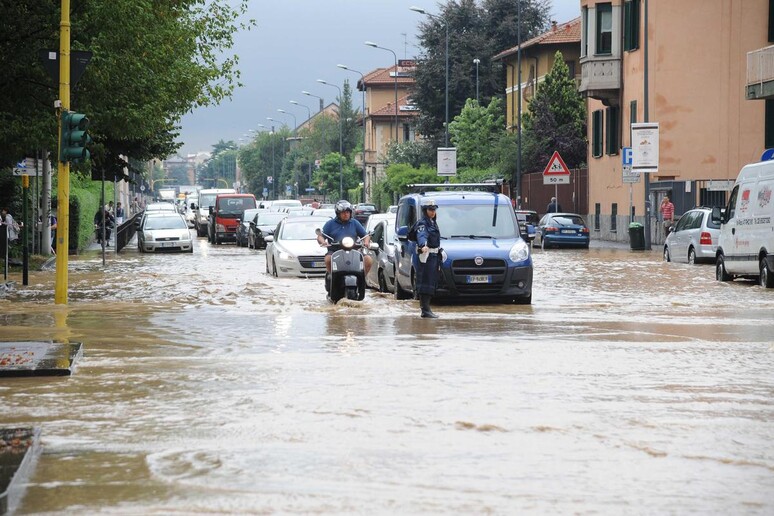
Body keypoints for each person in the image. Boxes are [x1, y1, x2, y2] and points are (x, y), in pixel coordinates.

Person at [317, 200, 371, 290]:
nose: (346, 214)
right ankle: (332, 277)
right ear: (338, 213)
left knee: (368, 259)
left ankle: (361, 279)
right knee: (327, 259)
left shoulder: (355, 223)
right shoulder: (330, 224)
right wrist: (323, 242)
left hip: (354, 250)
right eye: (343, 213)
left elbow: (365, 236)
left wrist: (366, 242)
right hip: (334, 250)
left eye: (347, 212)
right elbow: (320, 236)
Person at [413, 198, 442, 319]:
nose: (432, 212)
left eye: (434, 209)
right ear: (425, 210)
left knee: (432, 281)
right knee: (426, 282)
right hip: (426, 255)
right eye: (430, 209)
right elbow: (421, 235)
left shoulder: (433, 222)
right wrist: (423, 245)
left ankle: (427, 309)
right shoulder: (423, 223)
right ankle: (425, 310)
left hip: (434, 256)